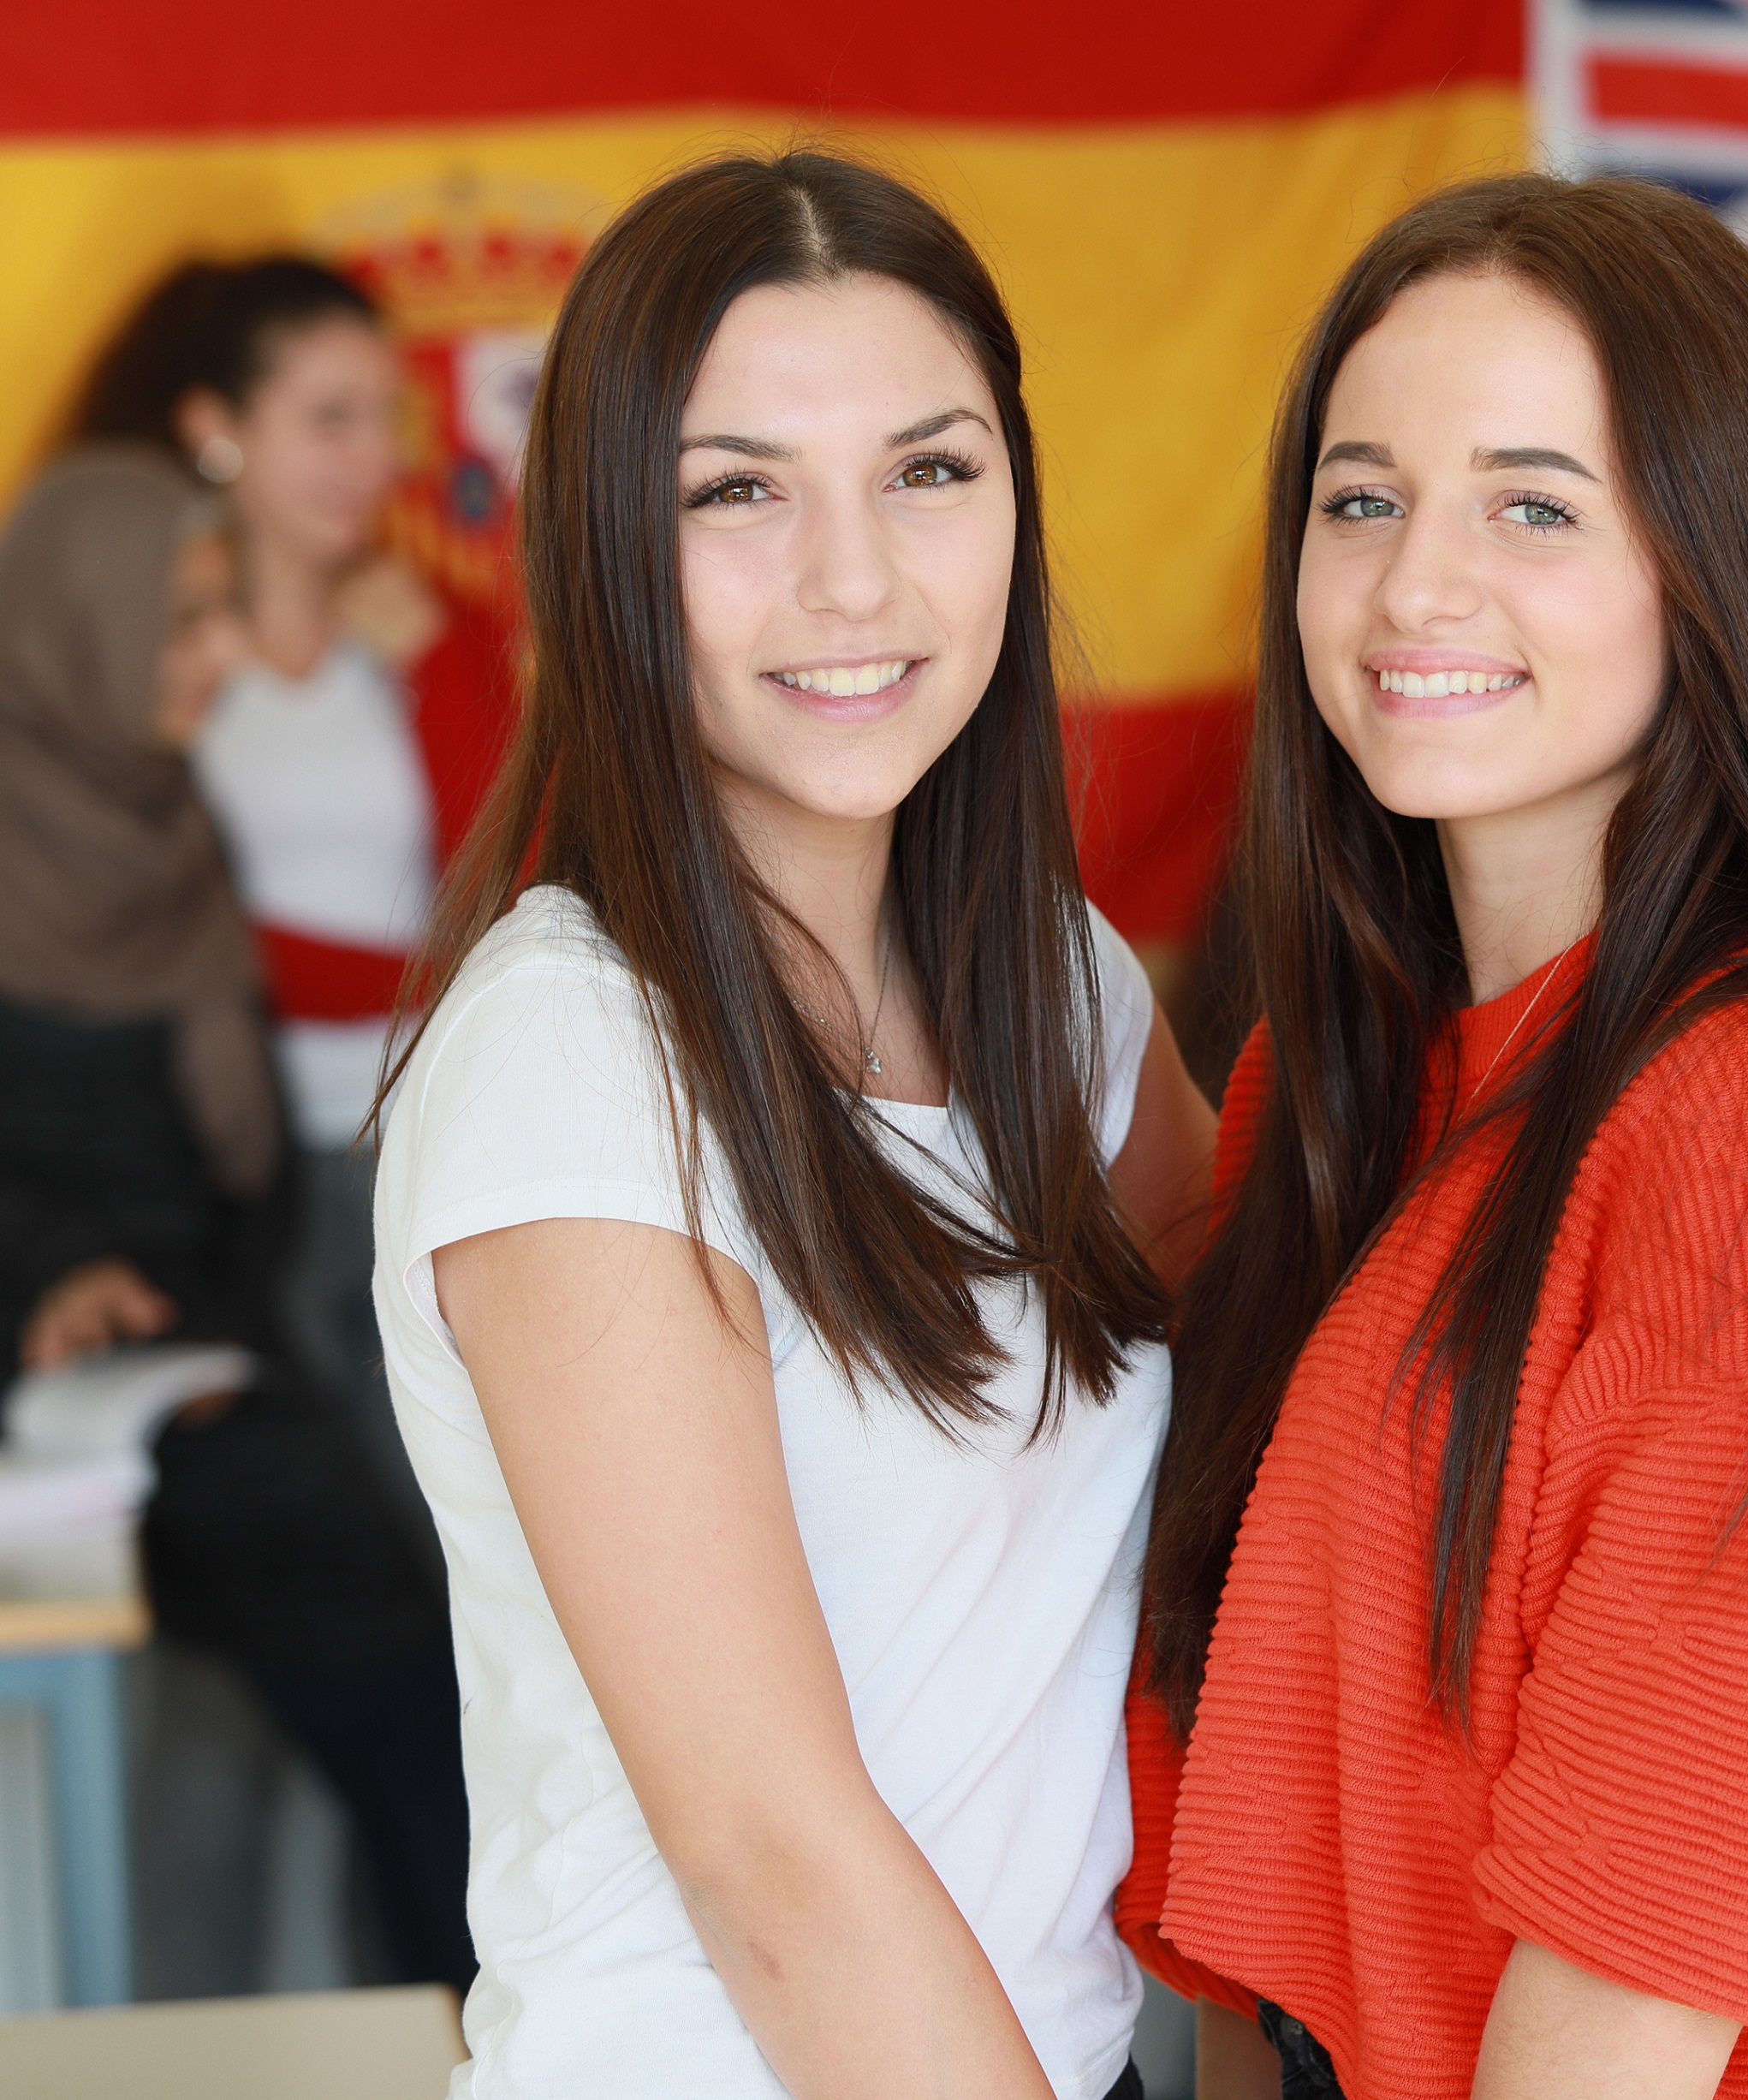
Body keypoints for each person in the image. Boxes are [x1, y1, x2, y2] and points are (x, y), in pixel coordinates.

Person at [1125, 173, 1748, 2100]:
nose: (1414, 586)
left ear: (1717, 572)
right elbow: (1261, 1902)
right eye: (1360, 500)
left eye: (1531, 506)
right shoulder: (1335, 1076)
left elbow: (1638, 1964)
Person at [371, 150, 1214, 2097]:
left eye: (929, 471)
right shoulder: (575, 1059)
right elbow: (780, 1870)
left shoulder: (1054, 984)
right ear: (602, 546)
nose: (853, 578)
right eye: (735, 490)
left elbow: (1284, 1414)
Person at [0, 444, 475, 1990]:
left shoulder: (158, 813)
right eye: (183, 619)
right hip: (94, 1378)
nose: (216, 655)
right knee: (411, 1712)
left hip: (219, 1341)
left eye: (219, 611)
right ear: (83, 621)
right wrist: (49, 1274)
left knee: (314, 1734)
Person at [69, 257, 513, 1527]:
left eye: (386, 418)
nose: (376, 458)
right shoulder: (136, 648)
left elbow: (517, 873)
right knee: (294, 1523)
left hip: (435, 1140)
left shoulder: (434, 623)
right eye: (331, 419)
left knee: (467, 1516)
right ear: (216, 430)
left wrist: (439, 673)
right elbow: (156, 927)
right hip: (222, 1163)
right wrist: (434, 973)